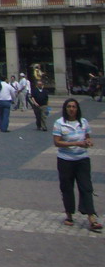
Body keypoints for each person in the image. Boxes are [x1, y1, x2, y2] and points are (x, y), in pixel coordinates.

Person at [53, 98, 101, 232]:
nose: (71, 109)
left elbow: (87, 136)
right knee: (67, 187)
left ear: (77, 109)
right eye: (69, 107)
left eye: (74, 107)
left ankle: (91, 217)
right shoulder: (59, 123)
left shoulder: (83, 122)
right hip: (65, 160)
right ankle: (69, 214)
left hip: (82, 159)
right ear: (65, 108)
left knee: (86, 187)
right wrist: (75, 144)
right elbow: (57, 142)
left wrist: (88, 141)